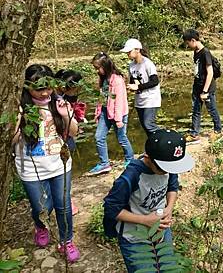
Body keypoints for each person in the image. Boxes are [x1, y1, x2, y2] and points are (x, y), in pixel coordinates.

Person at [13, 64, 81, 262]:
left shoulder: (59, 102)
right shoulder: (19, 106)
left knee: (64, 206)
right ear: (27, 87)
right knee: (40, 207)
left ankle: (66, 241)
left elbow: (74, 132)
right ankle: (41, 226)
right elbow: (11, 141)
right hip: (31, 169)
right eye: (39, 89)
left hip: (60, 165)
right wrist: (20, 120)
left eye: (48, 87)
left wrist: (65, 115)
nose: (45, 93)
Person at [103, 129, 195, 273]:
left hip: (161, 233)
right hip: (134, 238)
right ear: (148, 157)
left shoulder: (168, 165)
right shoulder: (132, 176)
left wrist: (169, 208)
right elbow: (111, 208)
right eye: (163, 168)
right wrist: (145, 220)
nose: (167, 172)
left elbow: (172, 186)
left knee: (167, 267)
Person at [89, 52, 135, 175]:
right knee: (99, 137)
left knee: (121, 138)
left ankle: (130, 160)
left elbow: (119, 101)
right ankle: (104, 164)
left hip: (118, 114)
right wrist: (98, 112)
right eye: (96, 68)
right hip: (106, 112)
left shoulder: (117, 80)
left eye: (98, 68)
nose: (97, 71)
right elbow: (102, 97)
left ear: (106, 66)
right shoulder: (103, 79)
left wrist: (118, 119)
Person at [55, 69, 85, 215]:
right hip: (58, 138)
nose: (77, 91)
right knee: (61, 170)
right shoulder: (55, 99)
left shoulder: (68, 97)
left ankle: (66, 198)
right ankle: (63, 199)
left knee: (65, 168)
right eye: (75, 88)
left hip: (68, 136)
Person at [182, 29, 222, 142]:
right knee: (196, 109)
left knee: (212, 109)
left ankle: (218, 130)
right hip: (197, 85)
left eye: (188, 43)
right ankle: (195, 133)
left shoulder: (205, 53)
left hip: (207, 87)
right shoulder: (196, 52)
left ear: (193, 40)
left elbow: (210, 73)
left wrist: (205, 91)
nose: (187, 46)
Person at [120, 38, 161, 136]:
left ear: (137, 50)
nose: (128, 54)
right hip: (139, 101)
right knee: (145, 126)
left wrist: (138, 87)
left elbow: (155, 81)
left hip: (151, 100)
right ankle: (153, 149)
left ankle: (166, 139)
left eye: (129, 51)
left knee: (149, 124)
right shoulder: (131, 66)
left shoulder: (148, 64)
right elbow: (132, 81)